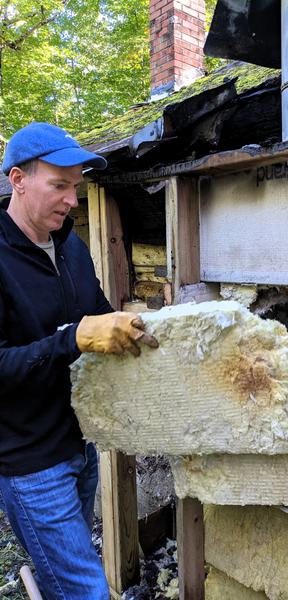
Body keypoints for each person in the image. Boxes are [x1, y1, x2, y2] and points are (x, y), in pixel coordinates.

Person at [0, 122, 157, 599]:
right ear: (18, 180)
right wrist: (73, 339)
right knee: (87, 590)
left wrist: (135, 326)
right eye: (60, 185)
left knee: (63, 577)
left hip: (80, 443)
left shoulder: (70, 244)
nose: (72, 199)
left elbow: (98, 314)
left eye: (76, 186)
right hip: (29, 459)